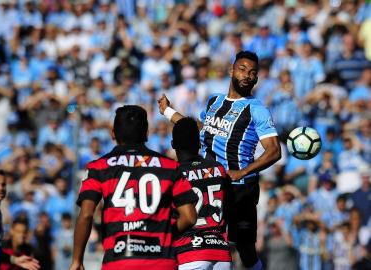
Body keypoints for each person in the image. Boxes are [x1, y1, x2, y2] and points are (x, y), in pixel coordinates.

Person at [158, 50, 281, 270]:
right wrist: (168, 112)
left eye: (252, 73)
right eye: (242, 69)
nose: (247, 76)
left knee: (245, 248)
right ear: (232, 70)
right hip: (209, 183)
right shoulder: (215, 101)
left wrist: (242, 172)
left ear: (256, 78)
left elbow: (274, 151)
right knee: (196, 238)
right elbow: (199, 130)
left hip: (239, 187)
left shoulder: (257, 109)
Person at [69, 105, 197, 270]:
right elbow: (189, 217)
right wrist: (162, 233)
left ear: (113, 134)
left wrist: (77, 260)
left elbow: (86, 215)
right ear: (146, 134)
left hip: (119, 262)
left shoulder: (98, 167)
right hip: (161, 262)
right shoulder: (170, 166)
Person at [171, 117, 232, 270]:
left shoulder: (172, 174)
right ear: (199, 144)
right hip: (221, 255)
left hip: (189, 253)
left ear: (173, 145)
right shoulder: (219, 169)